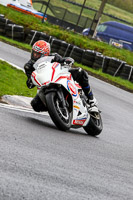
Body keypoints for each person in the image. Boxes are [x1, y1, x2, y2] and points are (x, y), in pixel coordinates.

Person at [24, 40, 97, 112]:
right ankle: (55, 107)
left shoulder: (54, 56)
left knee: (80, 72)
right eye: (34, 53)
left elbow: (63, 60)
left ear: (45, 54)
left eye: (38, 54)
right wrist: (30, 81)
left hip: (59, 77)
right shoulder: (29, 66)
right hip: (44, 85)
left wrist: (67, 60)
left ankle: (91, 99)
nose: (35, 55)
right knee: (35, 105)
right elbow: (30, 82)